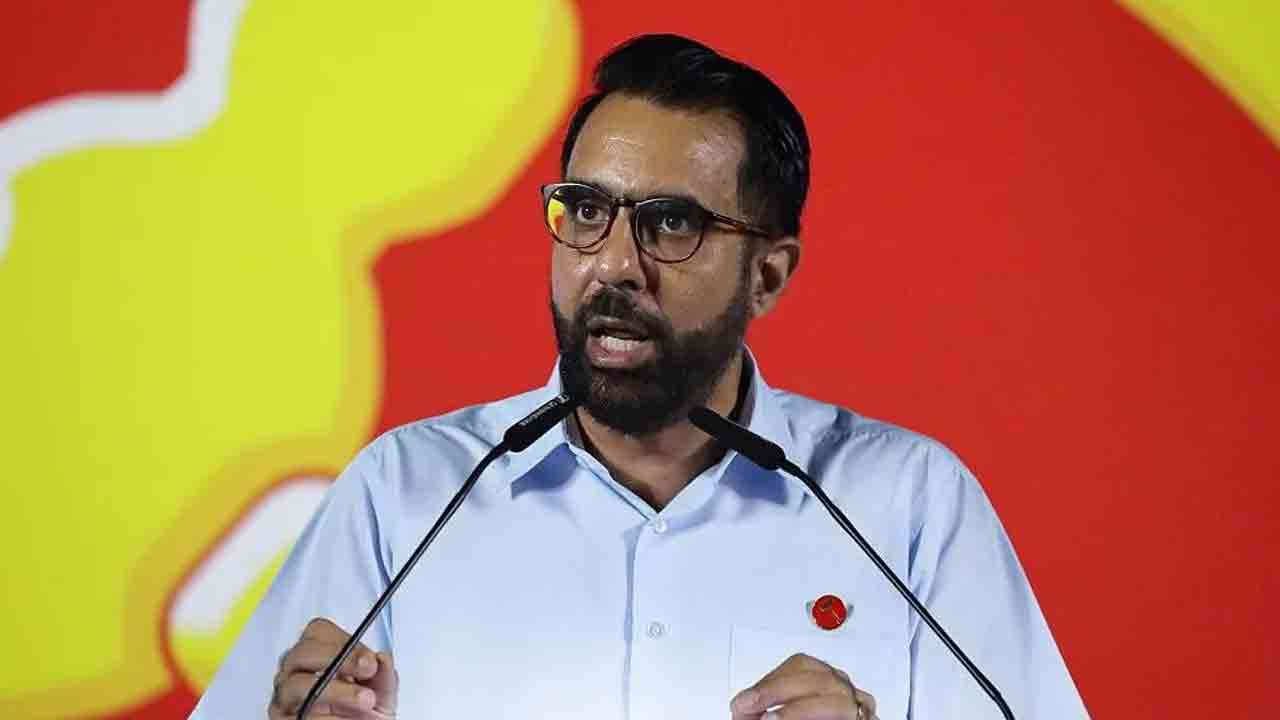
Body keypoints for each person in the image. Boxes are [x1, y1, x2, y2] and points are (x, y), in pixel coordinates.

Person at [190, 34, 1089, 720]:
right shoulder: (404, 495)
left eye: (671, 224)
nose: (613, 264)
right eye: (585, 210)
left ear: (769, 274)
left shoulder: (907, 505)